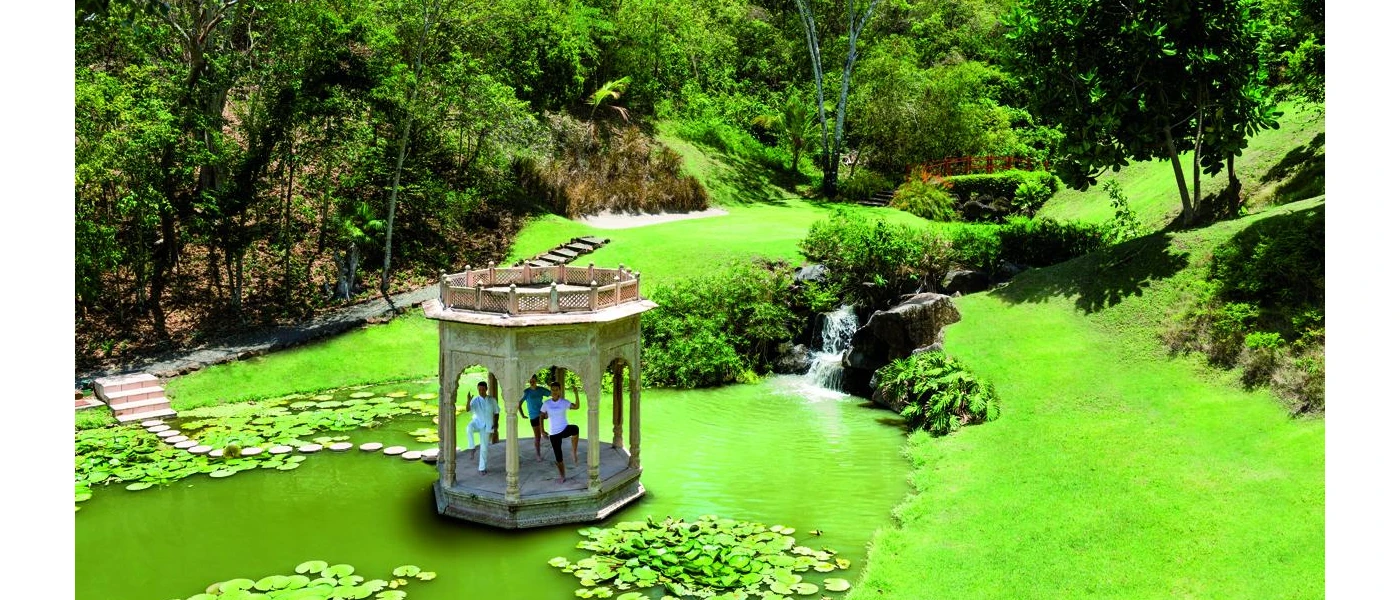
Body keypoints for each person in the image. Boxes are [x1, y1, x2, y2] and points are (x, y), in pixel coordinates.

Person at [541, 381, 581, 483]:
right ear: (550, 391)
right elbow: (541, 416)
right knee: (558, 457)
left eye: (556, 390)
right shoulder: (546, 403)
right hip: (553, 433)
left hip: (564, 429)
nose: (554, 391)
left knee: (575, 429)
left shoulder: (564, 402)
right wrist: (542, 430)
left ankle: (574, 452)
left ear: (560, 391)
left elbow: (576, 406)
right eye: (553, 390)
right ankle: (562, 476)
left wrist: (576, 393)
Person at [466, 381, 497, 474]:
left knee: (484, 447)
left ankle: (482, 468)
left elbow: (496, 412)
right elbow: (468, 410)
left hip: (487, 424)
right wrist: (468, 401)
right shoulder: (475, 400)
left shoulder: (492, 400)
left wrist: (496, 424)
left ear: (486, 389)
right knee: (469, 428)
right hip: (477, 422)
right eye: (479, 390)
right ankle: (472, 447)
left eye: (483, 389)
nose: (481, 391)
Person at [518, 374, 550, 461]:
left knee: (551, 413)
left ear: (536, 381)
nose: (532, 382)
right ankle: (538, 454)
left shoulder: (541, 390)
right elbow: (519, 404)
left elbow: (553, 394)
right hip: (533, 416)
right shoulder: (526, 392)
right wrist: (522, 414)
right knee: (537, 437)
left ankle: (544, 431)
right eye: (530, 381)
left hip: (542, 413)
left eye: (533, 381)